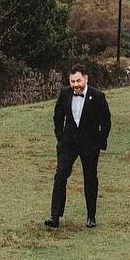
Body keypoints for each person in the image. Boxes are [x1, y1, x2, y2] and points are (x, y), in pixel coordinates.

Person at [45, 64, 112, 228]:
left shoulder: (97, 96)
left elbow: (106, 122)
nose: (75, 85)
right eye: (72, 81)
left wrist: (98, 142)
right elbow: (58, 116)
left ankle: (91, 216)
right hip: (68, 144)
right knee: (60, 175)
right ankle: (55, 216)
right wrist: (60, 137)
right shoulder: (64, 93)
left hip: (90, 145)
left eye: (78, 81)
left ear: (86, 79)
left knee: (90, 178)